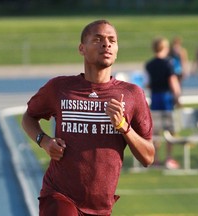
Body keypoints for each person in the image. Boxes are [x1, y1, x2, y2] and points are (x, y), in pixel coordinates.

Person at [21, 19, 155, 216]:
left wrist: (124, 127)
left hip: (101, 206)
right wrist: (44, 141)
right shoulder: (60, 88)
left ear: (117, 50)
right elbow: (29, 117)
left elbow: (148, 157)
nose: (106, 44)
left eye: (112, 40)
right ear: (81, 48)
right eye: (98, 39)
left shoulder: (132, 94)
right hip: (59, 195)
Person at [145, 37, 181, 169]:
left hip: (155, 98)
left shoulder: (149, 65)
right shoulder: (169, 63)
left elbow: (147, 83)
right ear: (165, 48)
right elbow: (173, 82)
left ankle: (155, 158)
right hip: (166, 99)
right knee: (169, 130)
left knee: (155, 132)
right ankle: (169, 158)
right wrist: (177, 96)